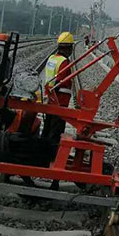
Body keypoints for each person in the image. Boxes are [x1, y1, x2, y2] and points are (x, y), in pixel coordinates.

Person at [41, 32, 74, 189]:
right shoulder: (64, 62)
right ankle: (51, 163)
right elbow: (61, 82)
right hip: (60, 104)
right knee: (55, 135)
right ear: (69, 47)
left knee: (47, 131)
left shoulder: (52, 59)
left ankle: (41, 157)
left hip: (50, 102)